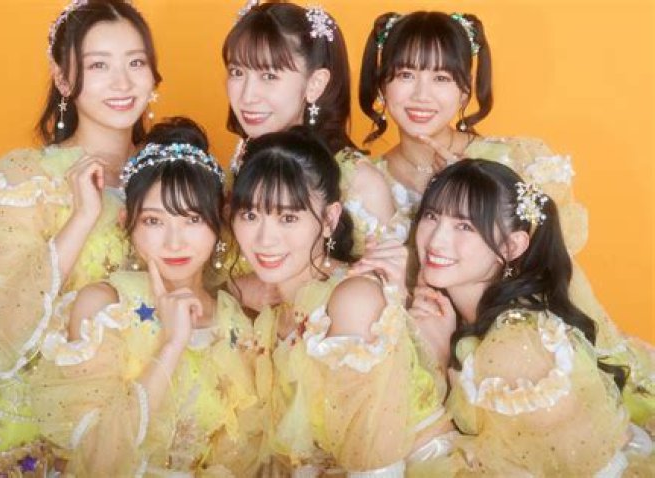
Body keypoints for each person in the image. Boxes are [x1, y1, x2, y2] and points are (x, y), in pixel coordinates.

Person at [359, 10, 655, 428]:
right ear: (382, 85)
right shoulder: (363, 181)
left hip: (518, 352)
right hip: (425, 356)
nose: (421, 95)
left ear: (465, 90)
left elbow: (552, 258)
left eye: (441, 77)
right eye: (406, 74)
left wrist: (471, 184)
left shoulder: (510, 159)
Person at [0, 1, 161, 474]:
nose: (122, 83)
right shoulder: (27, 181)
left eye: (135, 62)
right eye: (98, 66)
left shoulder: (172, 174)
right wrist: (82, 218)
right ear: (63, 79)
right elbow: (6, 316)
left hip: (145, 404)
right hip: (39, 413)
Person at [31, 118, 258, 476]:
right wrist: (171, 346)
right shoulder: (104, 308)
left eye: (192, 220)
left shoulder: (236, 325)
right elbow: (96, 459)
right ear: (127, 221)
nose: (174, 242)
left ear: (218, 223)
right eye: (154, 221)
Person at [411, 159, 652, 475]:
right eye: (432, 216)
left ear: (512, 246)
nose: (436, 240)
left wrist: (443, 361)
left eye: (465, 226)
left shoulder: (517, 345)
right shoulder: (460, 317)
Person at [229, 127, 448, 475]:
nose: (265, 239)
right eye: (250, 215)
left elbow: (376, 467)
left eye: (288, 217)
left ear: (330, 219)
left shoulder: (352, 299)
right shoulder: (272, 314)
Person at [224, 2, 407, 259]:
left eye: (269, 76)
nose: (247, 96)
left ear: (315, 83)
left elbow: (388, 280)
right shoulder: (242, 159)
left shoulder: (358, 183)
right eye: (237, 72)